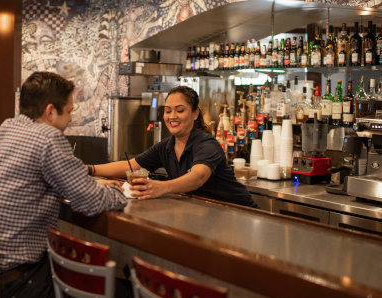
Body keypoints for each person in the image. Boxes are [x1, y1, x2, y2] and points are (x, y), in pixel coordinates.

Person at [0, 72, 130, 298]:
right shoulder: (48, 139)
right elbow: (89, 202)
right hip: (12, 289)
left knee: (62, 276)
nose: (71, 119)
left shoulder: (6, 128)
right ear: (50, 111)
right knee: (123, 294)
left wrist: (87, 182)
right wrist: (123, 193)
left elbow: (43, 178)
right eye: (69, 112)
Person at [91, 86, 259, 209]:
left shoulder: (206, 144)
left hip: (242, 214)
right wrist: (89, 169)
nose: (172, 116)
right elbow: (129, 165)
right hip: (208, 213)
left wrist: (161, 188)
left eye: (180, 110)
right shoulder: (166, 146)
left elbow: (198, 177)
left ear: (195, 114)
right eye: (168, 110)